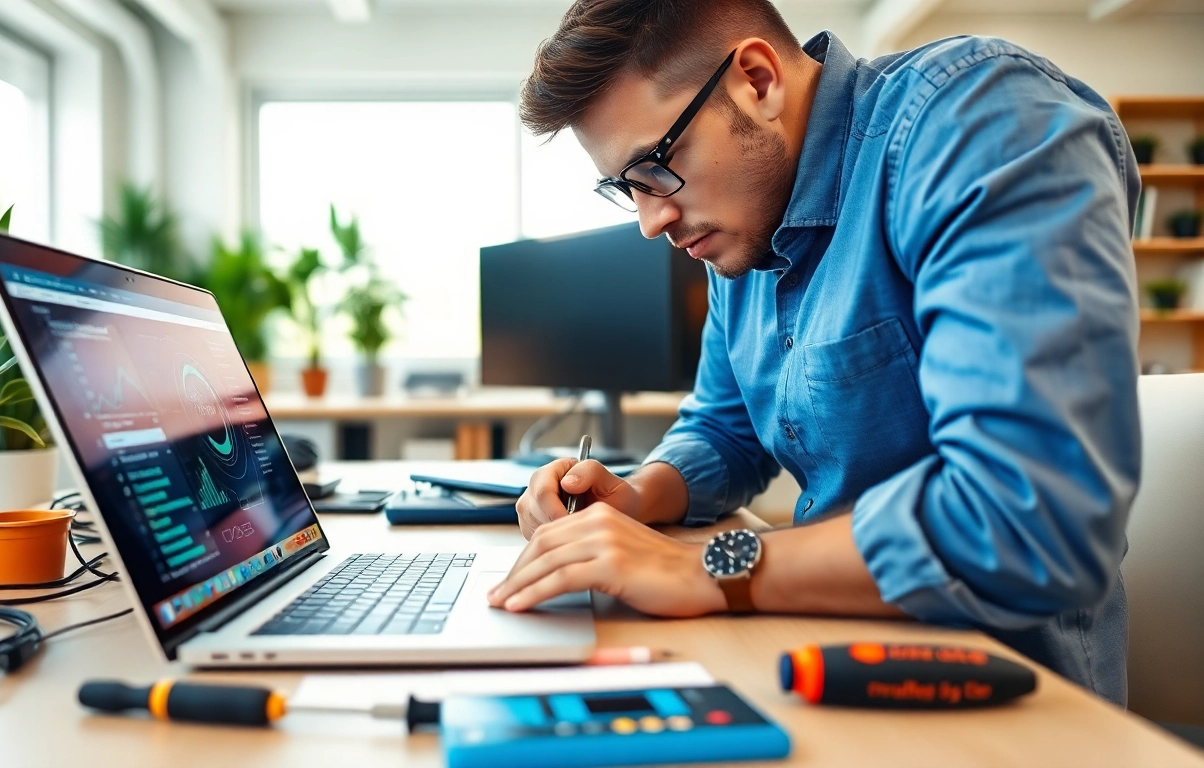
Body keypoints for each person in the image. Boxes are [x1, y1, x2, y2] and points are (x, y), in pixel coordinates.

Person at [486, 0, 1141, 704]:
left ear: (757, 80)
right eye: (628, 188)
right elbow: (724, 428)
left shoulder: (980, 123)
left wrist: (709, 565)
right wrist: (637, 496)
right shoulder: (741, 222)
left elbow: (1025, 515)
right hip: (814, 652)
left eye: (655, 167)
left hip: (1005, 694)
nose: (652, 221)